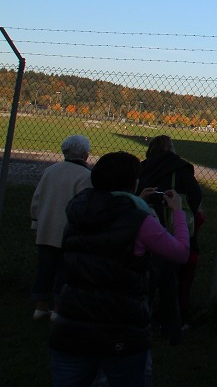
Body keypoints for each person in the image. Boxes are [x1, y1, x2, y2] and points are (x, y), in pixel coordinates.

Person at [49, 151, 190, 387]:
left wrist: (136, 200)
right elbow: (180, 252)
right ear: (132, 183)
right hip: (119, 329)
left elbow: (110, 219)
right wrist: (178, 212)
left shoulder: (77, 211)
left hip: (70, 327)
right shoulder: (140, 221)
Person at [136, 134, 203, 344]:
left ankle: (145, 318)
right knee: (171, 280)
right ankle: (172, 323)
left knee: (147, 277)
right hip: (173, 228)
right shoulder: (180, 168)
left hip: (147, 226)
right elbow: (195, 194)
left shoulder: (143, 167)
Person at [30, 135, 92, 319]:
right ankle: (58, 308)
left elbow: (37, 198)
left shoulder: (51, 170)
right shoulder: (86, 176)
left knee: (45, 268)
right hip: (69, 230)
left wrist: (36, 220)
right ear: (85, 155)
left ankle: (40, 306)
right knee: (65, 272)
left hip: (47, 227)